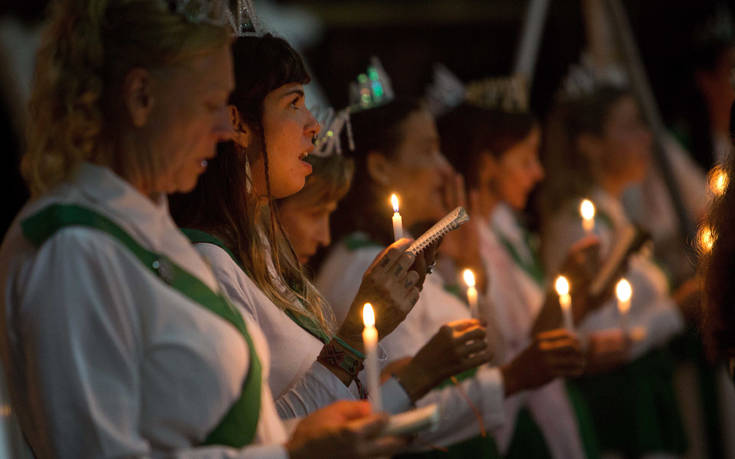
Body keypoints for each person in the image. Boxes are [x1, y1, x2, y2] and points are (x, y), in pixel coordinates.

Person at [0, 1, 409, 457]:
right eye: (211, 103)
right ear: (141, 97)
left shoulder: (150, 232)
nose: (226, 129)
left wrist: (302, 437)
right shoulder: (72, 246)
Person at [169, 33, 492, 421]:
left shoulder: (265, 259)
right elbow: (261, 438)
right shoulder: (209, 264)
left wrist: (406, 377)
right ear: (238, 123)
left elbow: (342, 422)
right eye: (294, 103)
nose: (313, 126)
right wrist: (357, 336)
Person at [319, 98, 587, 457]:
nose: (447, 170)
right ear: (381, 167)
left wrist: (468, 264)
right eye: (430, 152)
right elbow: (399, 409)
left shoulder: (417, 256)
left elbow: (494, 352)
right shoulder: (365, 269)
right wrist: (511, 380)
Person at [438, 99, 601, 459]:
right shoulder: (463, 246)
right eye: (526, 159)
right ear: (486, 165)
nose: (539, 173)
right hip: (512, 420)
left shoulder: (506, 235)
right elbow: (506, 348)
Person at [540, 83, 690, 457]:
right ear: (590, 144)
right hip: (619, 411)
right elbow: (593, 332)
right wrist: (676, 310)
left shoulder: (617, 213)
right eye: (631, 126)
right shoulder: (578, 224)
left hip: (645, 399)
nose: (646, 138)